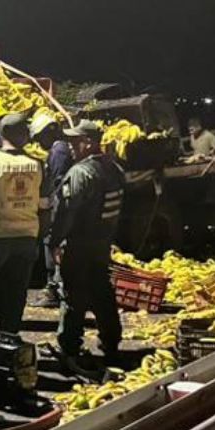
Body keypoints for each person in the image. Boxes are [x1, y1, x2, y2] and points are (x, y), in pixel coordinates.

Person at [48, 119, 126, 376]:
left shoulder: (81, 173)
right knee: (102, 290)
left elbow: (67, 211)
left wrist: (55, 240)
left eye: (74, 141)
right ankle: (111, 340)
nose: (70, 146)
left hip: (80, 243)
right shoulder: (114, 168)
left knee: (73, 295)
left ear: (89, 142)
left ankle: (70, 346)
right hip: (101, 242)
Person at [0, 113, 44, 333]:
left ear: (1, 134)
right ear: (25, 135)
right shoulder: (37, 164)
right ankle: (10, 336)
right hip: (26, 236)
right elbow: (46, 205)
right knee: (15, 294)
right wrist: (39, 235)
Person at [30, 113, 74, 308]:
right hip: (58, 205)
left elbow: (57, 183)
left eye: (40, 138)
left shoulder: (59, 152)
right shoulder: (60, 150)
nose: (39, 143)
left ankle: (54, 290)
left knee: (53, 246)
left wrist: (47, 207)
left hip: (58, 207)